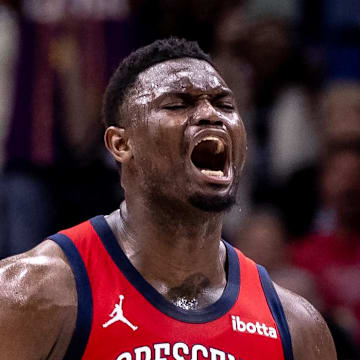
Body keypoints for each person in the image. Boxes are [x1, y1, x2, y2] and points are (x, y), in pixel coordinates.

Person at [0, 38, 336, 359]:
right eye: (177, 104)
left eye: (225, 104)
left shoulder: (296, 327)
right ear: (121, 144)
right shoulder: (30, 294)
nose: (210, 115)